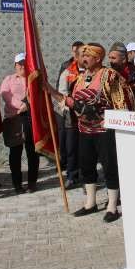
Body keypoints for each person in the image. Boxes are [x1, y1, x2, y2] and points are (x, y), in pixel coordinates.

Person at [46, 43, 135, 222]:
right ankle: (90, 202)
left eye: (87, 55)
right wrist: (50, 89)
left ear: (98, 58)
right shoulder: (80, 78)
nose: (83, 59)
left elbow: (123, 103)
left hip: (105, 129)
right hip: (84, 129)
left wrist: (111, 120)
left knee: (109, 166)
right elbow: (70, 102)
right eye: (82, 55)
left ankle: (112, 206)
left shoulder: (110, 76)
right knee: (86, 165)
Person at [0, 53, 40, 194]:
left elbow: (39, 95)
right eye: (19, 64)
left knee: (32, 151)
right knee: (15, 152)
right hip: (14, 119)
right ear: (15, 65)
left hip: (30, 118)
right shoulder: (9, 79)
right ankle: (17, 184)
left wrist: (27, 107)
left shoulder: (33, 79)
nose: (22, 66)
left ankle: (32, 182)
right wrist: (22, 105)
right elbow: (6, 96)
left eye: (24, 63)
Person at [55, 41, 84, 183]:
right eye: (80, 54)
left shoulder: (94, 70)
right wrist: (71, 107)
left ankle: (86, 175)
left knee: (85, 147)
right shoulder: (67, 70)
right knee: (70, 146)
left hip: (89, 117)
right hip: (70, 115)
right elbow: (62, 92)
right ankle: (72, 175)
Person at [108, 42, 135, 112]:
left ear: (124, 59)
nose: (110, 61)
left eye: (113, 58)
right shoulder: (108, 73)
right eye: (109, 58)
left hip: (134, 115)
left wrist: (131, 88)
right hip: (113, 115)